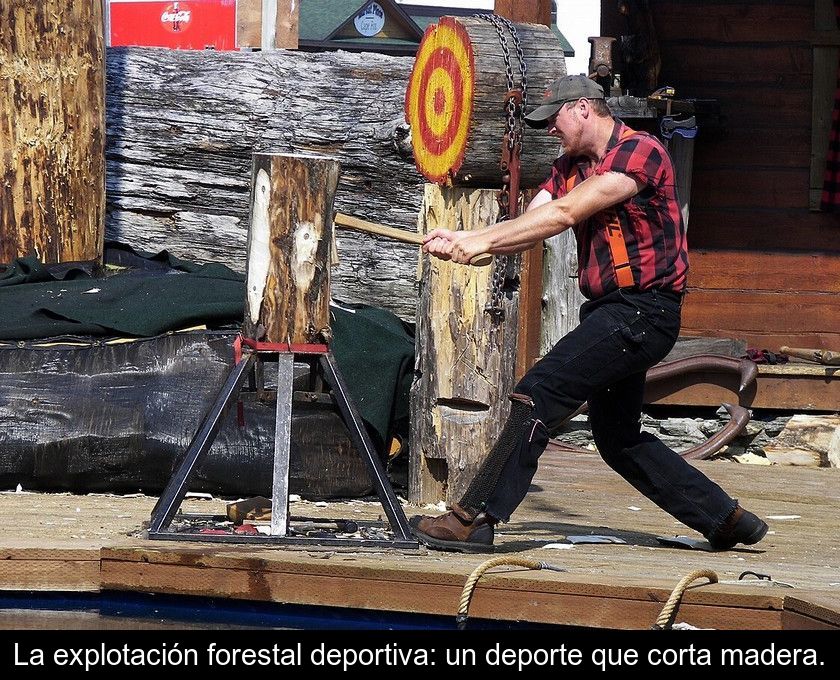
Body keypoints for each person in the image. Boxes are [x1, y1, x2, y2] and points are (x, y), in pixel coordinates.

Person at [410, 74, 768, 553]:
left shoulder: (641, 152)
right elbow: (533, 218)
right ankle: (726, 519)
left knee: (538, 392)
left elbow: (565, 214)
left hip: (645, 311)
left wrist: (483, 242)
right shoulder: (567, 168)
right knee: (616, 437)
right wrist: (469, 244)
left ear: (582, 108)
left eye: (554, 120)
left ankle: (475, 517)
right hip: (610, 312)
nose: (550, 131)